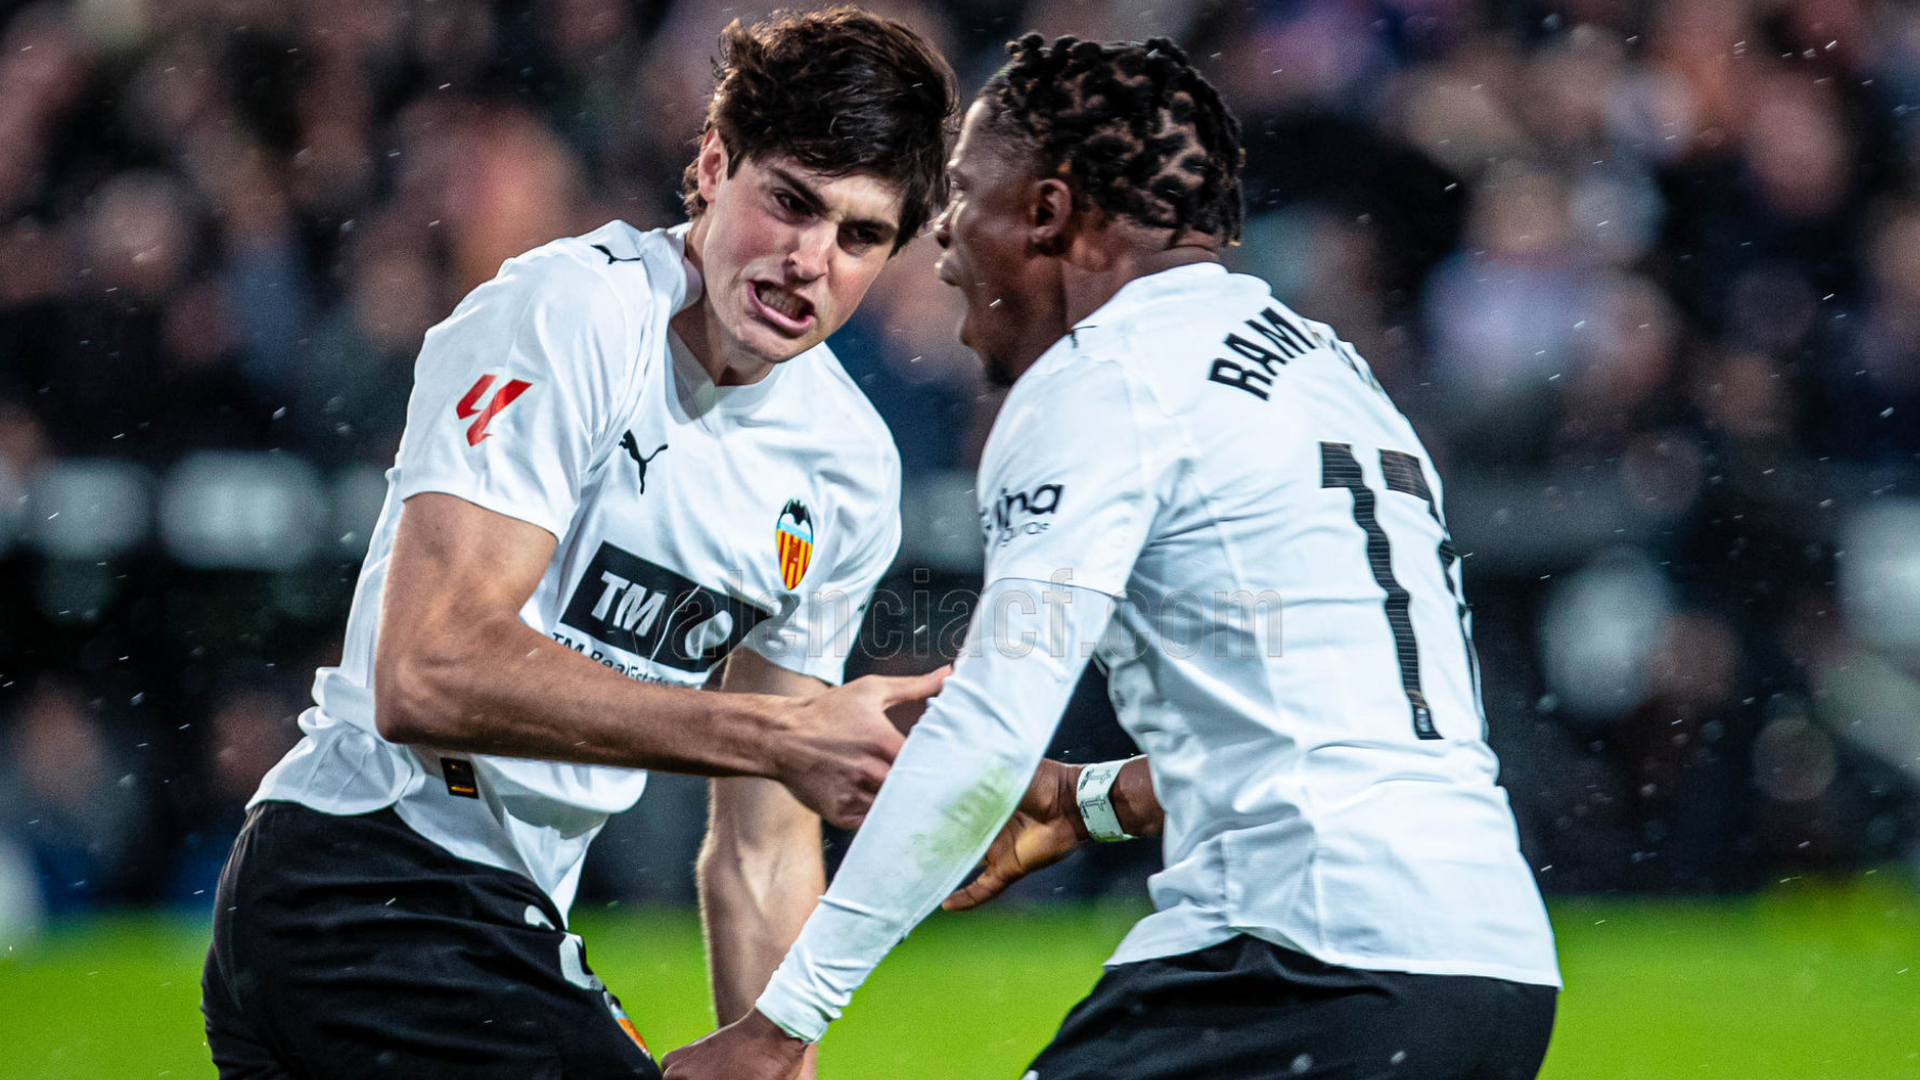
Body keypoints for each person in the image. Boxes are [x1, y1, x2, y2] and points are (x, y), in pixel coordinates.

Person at [662, 34, 1559, 1080]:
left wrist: (780, 1030)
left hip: (1302, 962)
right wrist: (1088, 803)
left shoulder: (1107, 379)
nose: (941, 237)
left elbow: (989, 728)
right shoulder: (1330, 374)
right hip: (1488, 969)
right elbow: (1327, 735)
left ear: (1045, 212)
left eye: (961, 193)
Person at [200, 9, 956, 1079]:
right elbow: (427, 672)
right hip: (364, 874)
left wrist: (778, 1044)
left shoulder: (849, 469)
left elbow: (761, 845)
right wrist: (773, 737)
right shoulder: (574, 316)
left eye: (860, 234)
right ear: (711, 165)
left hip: (491, 921)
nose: (808, 259)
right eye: (789, 200)